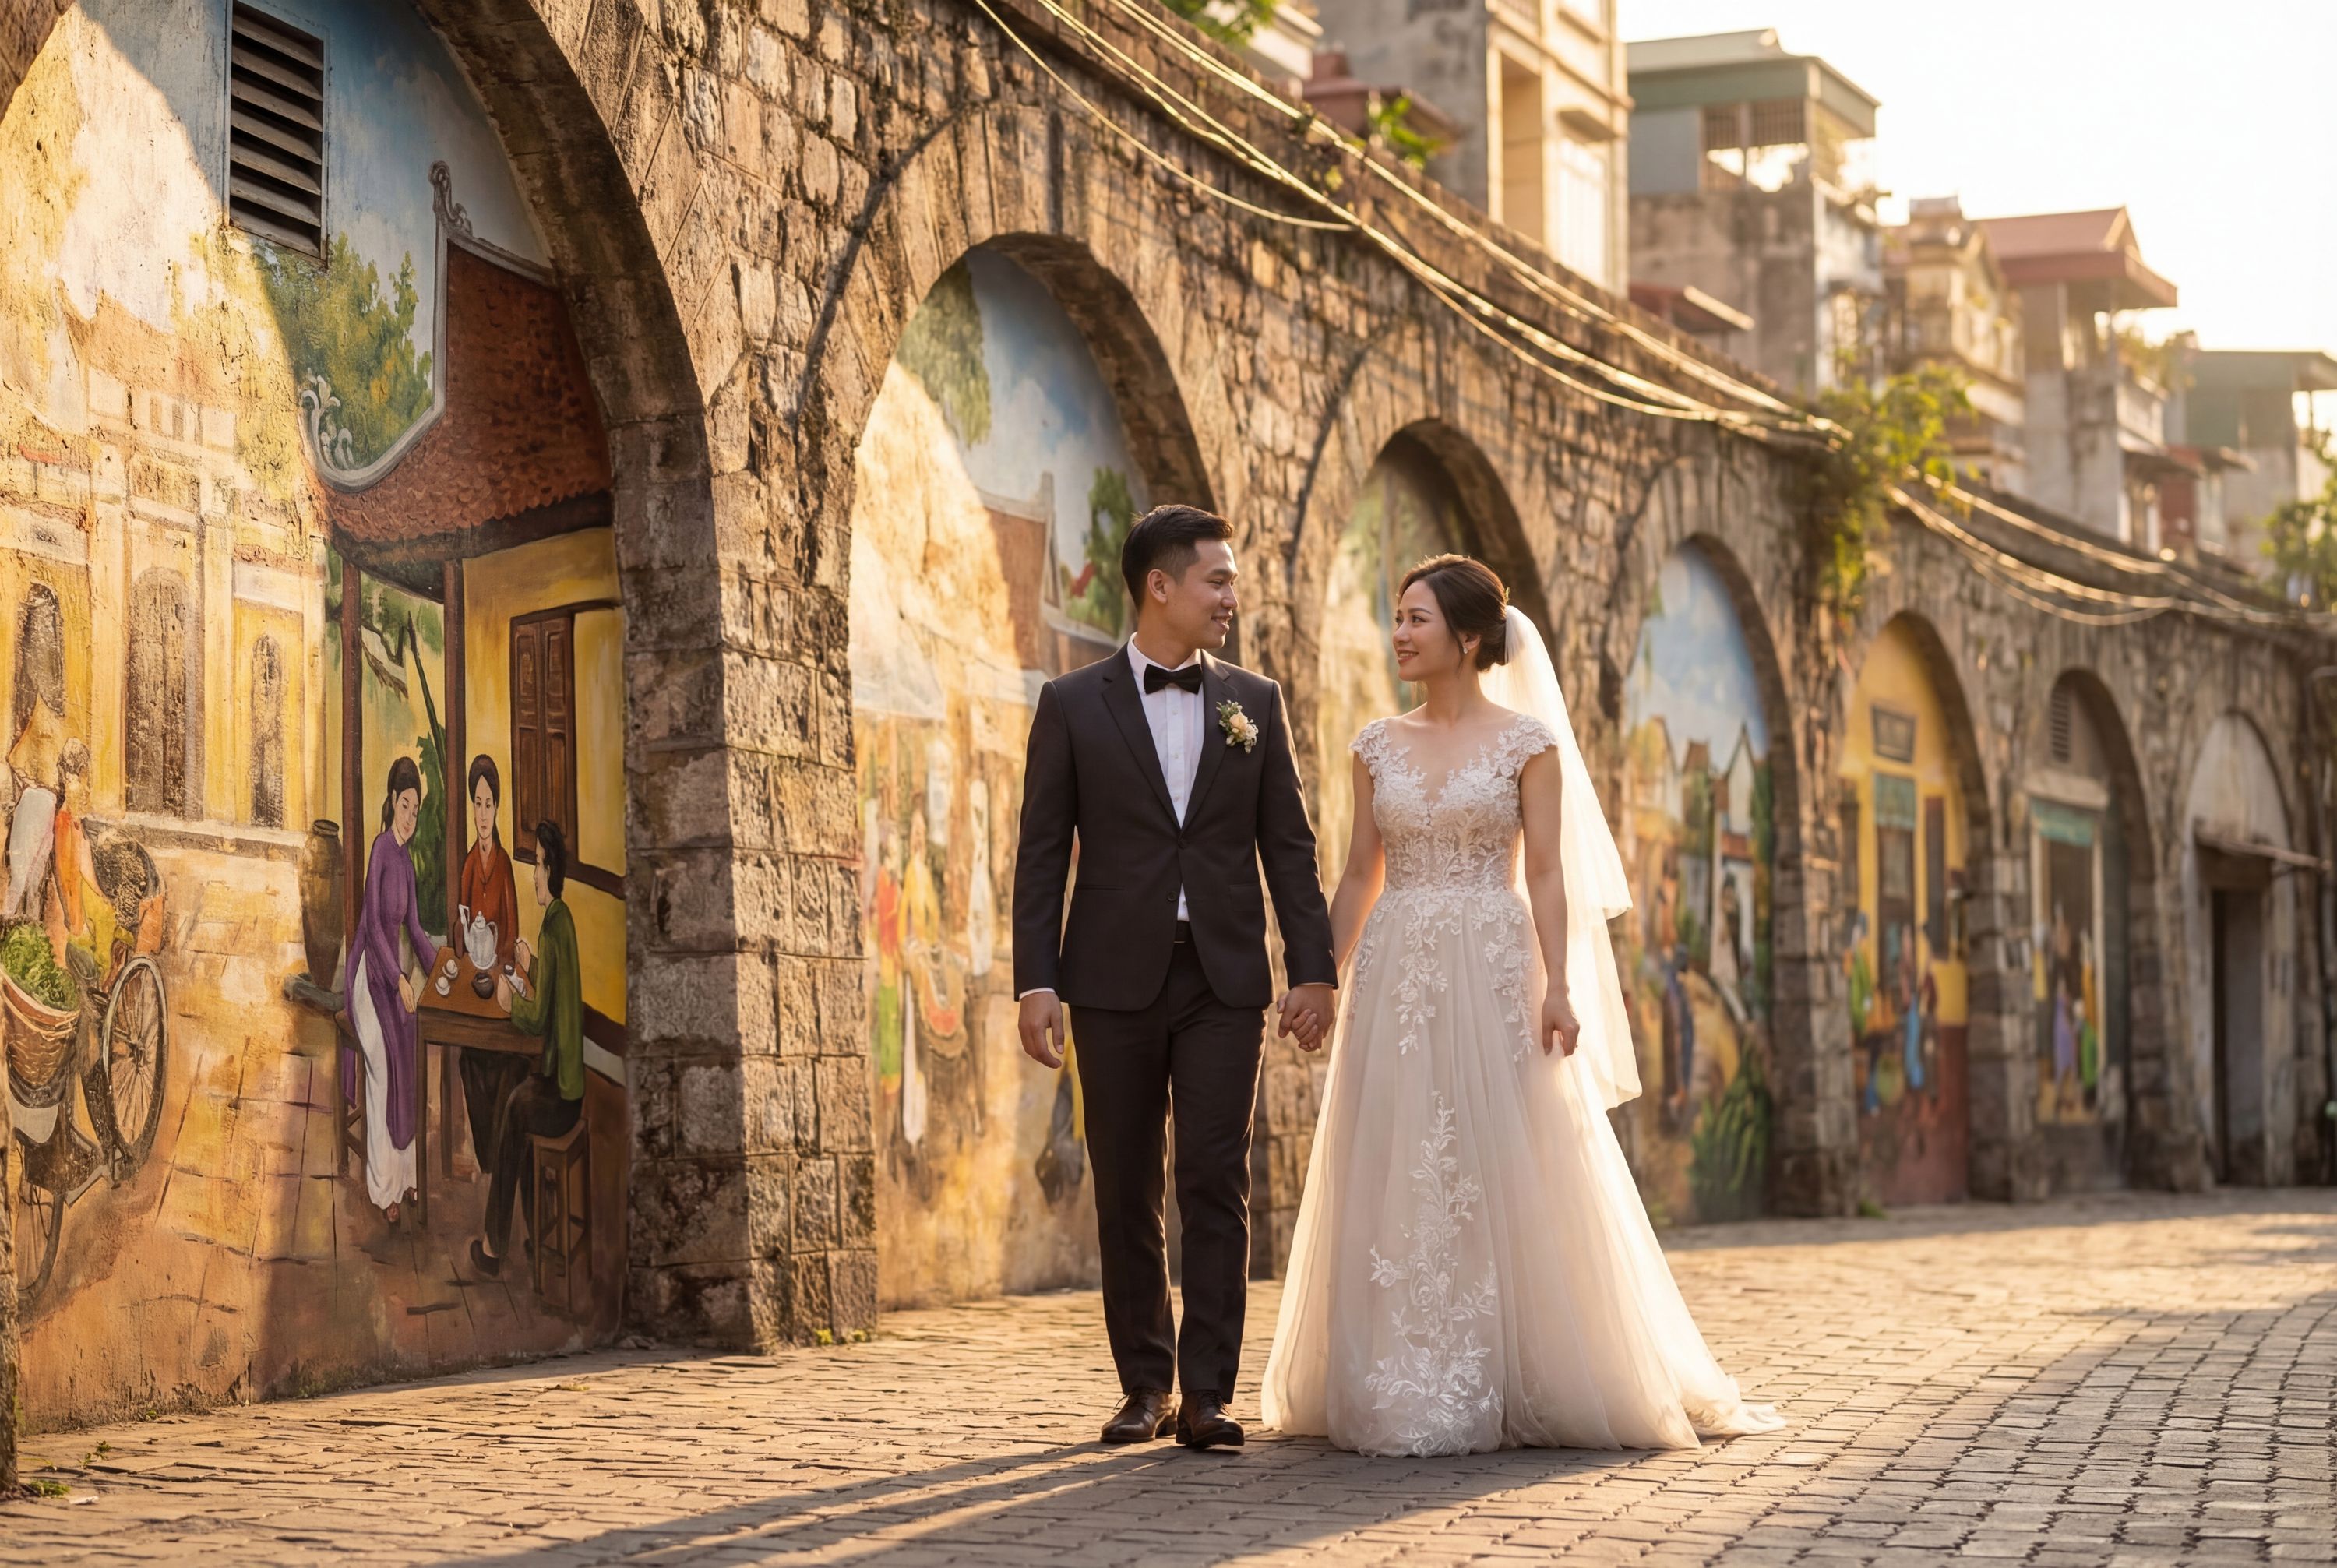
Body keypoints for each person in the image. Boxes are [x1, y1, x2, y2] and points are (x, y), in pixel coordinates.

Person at [1261, 555, 1785, 1457]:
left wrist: (1559, 983)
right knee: (1399, 1153)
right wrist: (1319, 976)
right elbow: (1357, 873)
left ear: (1467, 638)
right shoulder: (1374, 745)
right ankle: (1403, 1363)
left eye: (1416, 619)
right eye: (1395, 616)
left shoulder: (1527, 744)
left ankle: (1523, 1362)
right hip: (1398, 972)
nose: (1399, 634)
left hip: (1493, 965)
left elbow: (1545, 871)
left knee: (1500, 1154)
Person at [1012, 503, 1337, 1451]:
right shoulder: (1072, 705)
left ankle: (1208, 1394)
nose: (1232, 597)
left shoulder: (1257, 703)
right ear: (1161, 586)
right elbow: (1040, 855)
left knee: (1213, 1177)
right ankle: (1144, 1385)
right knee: (1123, 1183)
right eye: (1218, 580)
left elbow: (1290, 848)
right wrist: (1037, 982)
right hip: (1109, 977)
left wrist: (1311, 970)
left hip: (1224, 979)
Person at [471, 819, 584, 1281]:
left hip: (564, 1094)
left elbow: (538, 1019)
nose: (534, 875)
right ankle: (538, 1232)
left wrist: (509, 999)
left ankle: (494, 1247)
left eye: (538, 864)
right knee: (511, 1082)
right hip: (565, 1077)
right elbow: (553, 989)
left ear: (550, 870)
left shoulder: (554, 927)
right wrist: (529, 963)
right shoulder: (561, 921)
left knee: (517, 1109)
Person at [344, 756, 439, 1225]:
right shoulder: (382, 850)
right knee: (382, 1061)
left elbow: (416, 931)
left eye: (416, 810)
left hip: (395, 975)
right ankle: (384, 1189)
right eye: (405, 805)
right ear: (392, 802)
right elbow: (377, 931)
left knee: (410, 1047)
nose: (410, 817)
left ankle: (407, 1174)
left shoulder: (408, 863)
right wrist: (399, 978)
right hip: (368, 972)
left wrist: (442, 968)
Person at [454, 754, 527, 1178]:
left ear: (498, 808)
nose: (482, 813)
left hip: (497, 985)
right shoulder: (468, 863)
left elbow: (513, 931)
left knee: (501, 1063)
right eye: (477, 803)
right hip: (473, 985)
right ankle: (489, 1155)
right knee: (468, 1061)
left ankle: (499, 1156)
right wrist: (466, 963)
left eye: (488, 804)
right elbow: (459, 928)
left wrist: (502, 971)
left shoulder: (503, 866)